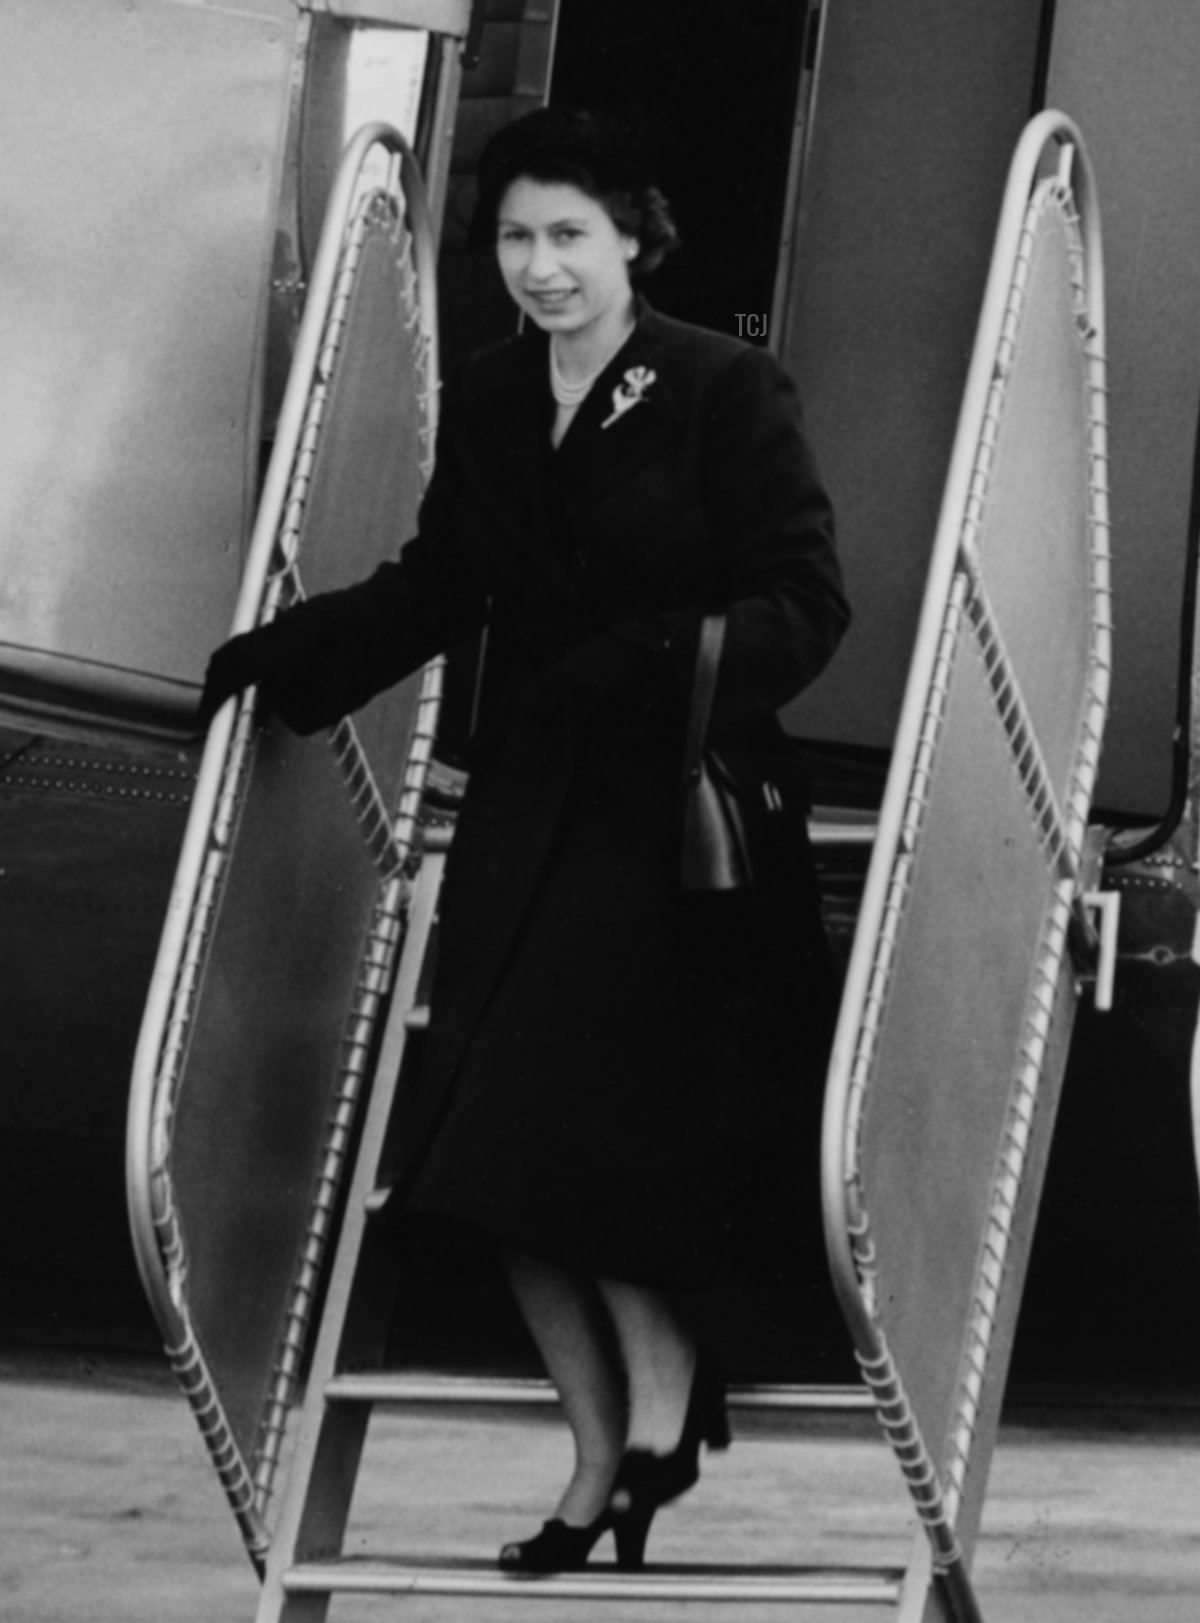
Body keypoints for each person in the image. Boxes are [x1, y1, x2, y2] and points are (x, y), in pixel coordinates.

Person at [200, 106, 850, 1574]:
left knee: (564, 1144)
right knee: (482, 1160)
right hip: (531, 806)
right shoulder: (494, 396)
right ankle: (613, 1451)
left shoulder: (722, 387)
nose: (541, 265)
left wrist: (650, 661)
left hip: (673, 817)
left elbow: (807, 605)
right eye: (514, 237)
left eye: (570, 234)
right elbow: (445, 582)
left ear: (635, 240)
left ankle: (651, 1431)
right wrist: (289, 656)